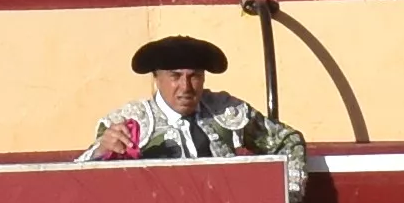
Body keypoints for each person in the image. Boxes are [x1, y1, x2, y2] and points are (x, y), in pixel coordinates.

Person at [84, 32, 313, 166]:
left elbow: (288, 142)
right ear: (156, 78)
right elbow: (82, 180)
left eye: (195, 77)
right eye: (175, 76)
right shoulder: (127, 123)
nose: (186, 87)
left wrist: (287, 198)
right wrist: (100, 154)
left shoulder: (225, 112)